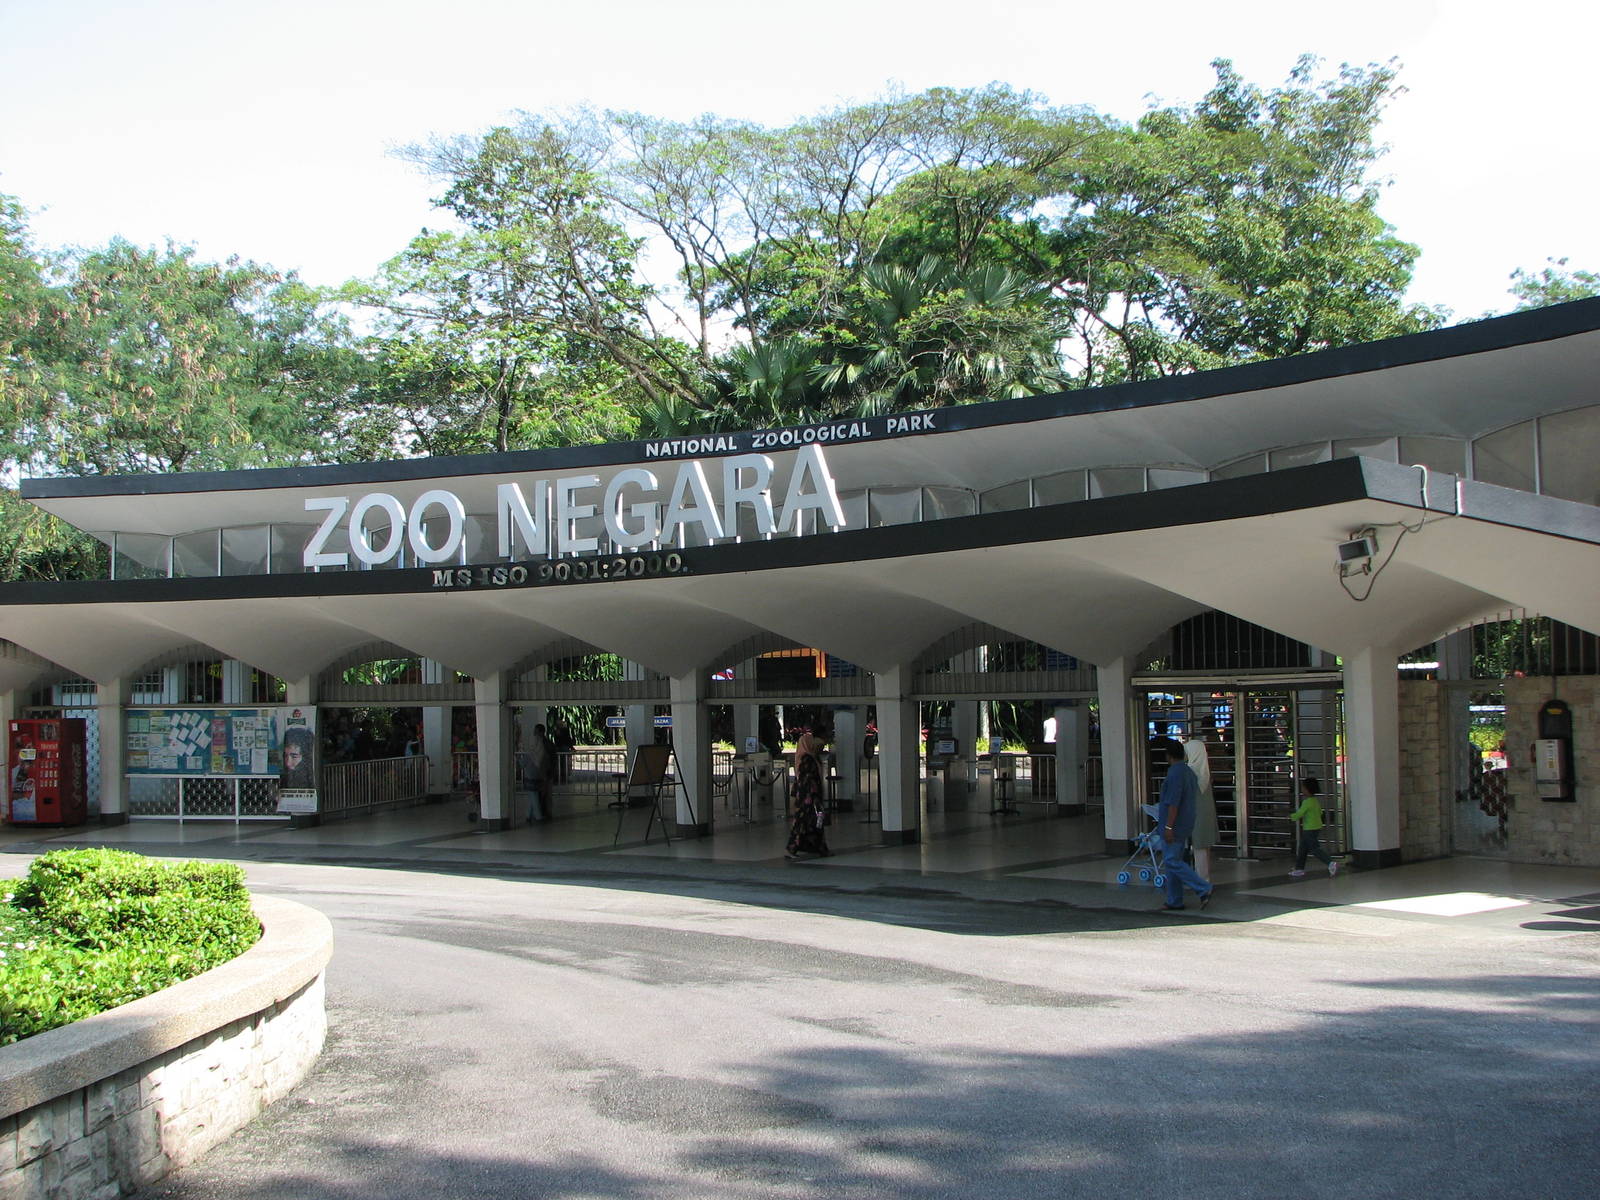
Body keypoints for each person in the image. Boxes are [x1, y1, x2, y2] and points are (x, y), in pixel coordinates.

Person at [1155, 739, 1213, 912]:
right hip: (1185, 823)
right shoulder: (1189, 772)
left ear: (1169, 756)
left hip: (1174, 825)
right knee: (1175, 861)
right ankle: (1174, 900)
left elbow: (1173, 802)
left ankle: (1203, 887)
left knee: (1171, 860)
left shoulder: (1175, 773)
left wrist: (1168, 827)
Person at [1288, 775, 1339, 877]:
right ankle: (1299, 868)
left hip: (1309, 829)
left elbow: (1300, 813)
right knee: (1302, 849)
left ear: (1307, 789)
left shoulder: (1307, 802)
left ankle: (1330, 863)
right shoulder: (1315, 801)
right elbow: (1320, 813)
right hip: (1316, 827)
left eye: (1303, 787)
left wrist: (1291, 816)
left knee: (1314, 849)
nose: (1301, 789)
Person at [785, 749, 831, 859]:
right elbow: (808, 780)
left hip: (805, 798)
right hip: (808, 799)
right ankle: (793, 848)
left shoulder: (808, 758)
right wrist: (813, 795)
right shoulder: (808, 759)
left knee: (814, 824)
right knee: (805, 824)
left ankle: (816, 848)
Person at [1183, 734, 1218, 876]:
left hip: (1193, 815)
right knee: (1204, 849)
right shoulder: (1205, 772)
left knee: (1198, 850)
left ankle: (1201, 882)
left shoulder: (1189, 771)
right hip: (1206, 815)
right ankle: (1204, 878)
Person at [524, 723, 556, 824]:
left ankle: (537, 815)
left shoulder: (539, 746)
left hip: (539, 773)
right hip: (541, 774)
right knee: (538, 794)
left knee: (535, 794)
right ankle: (536, 815)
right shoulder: (546, 744)